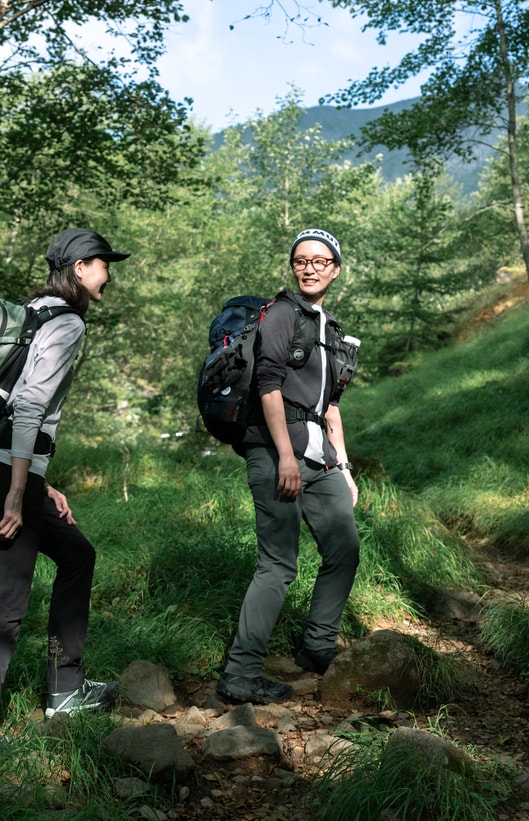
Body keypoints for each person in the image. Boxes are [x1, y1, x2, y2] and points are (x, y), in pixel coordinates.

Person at [0, 227, 126, 745]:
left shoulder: (34, 310)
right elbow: (29, 404)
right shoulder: (67, 321)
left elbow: (20, 408)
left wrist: (39, 484)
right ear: (79, 268)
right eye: (102, 264)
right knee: (6, 605)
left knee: (77, 556)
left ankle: (64, 689)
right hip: (5, 471)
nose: (108, 274)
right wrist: (17, 491)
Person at [216, 227, 361, 705]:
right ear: (293, 266)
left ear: (336, 269)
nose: (310, 268)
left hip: (320, 457)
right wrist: (283, 455)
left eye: (320, 261)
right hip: (277, 450)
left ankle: (317, 647)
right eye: (302, 260)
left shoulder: (331, 328)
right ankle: (241, 673)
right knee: (278, 564)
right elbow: (268, 385)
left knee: (344, 550)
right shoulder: (280, 314)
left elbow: (332, 405)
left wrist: (343, 466)